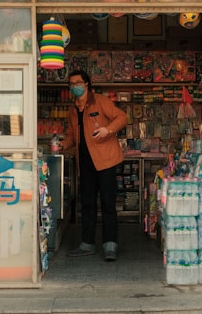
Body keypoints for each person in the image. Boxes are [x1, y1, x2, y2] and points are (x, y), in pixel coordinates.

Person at [58, 70, 128, 261]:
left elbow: (122, 117)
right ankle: (87, 244)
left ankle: (110, 245)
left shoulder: (100, 101)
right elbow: (73, 135)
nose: (75, 87)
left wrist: (108, 130)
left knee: (108, 205)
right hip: (85, 164)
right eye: (71, 84)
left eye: (78, 83)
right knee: (87, 205)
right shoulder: (73, 110)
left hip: (106, 161)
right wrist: (63, 144)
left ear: (87, 84)